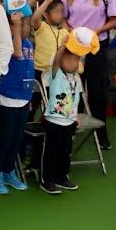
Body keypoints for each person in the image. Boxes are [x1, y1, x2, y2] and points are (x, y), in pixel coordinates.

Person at [59, 0, 116, 147]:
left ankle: (101, 134)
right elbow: (61, 17)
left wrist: (95, 32)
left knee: (96, 90)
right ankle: (70, 128)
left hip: (96, 47)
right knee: (71, 88)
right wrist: (70, 31)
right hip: (73, 48)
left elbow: (113, 21)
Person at [0, 11, 33, 195]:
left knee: (16, 139)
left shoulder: (29, 44)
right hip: (8, 100)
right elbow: (15, 51)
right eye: (23, 25)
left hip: (24, 99)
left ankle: (9, 171)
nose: (27, 28)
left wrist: (29, 97)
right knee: (5, 139)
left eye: (27, 25)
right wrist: (15, 25)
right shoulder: (6, 45)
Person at [40, 40, 85, 194]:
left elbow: (75, 99)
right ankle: (48, 180)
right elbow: (57, 59)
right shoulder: (56, 73)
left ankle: (62, 177)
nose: (73, 63)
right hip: (54, 121)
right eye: (69, 59)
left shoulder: (76, 78)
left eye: (76, 60)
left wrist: (76, 115)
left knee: (65, 151)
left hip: (70, 121)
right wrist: (64, 47)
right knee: (52, 151)